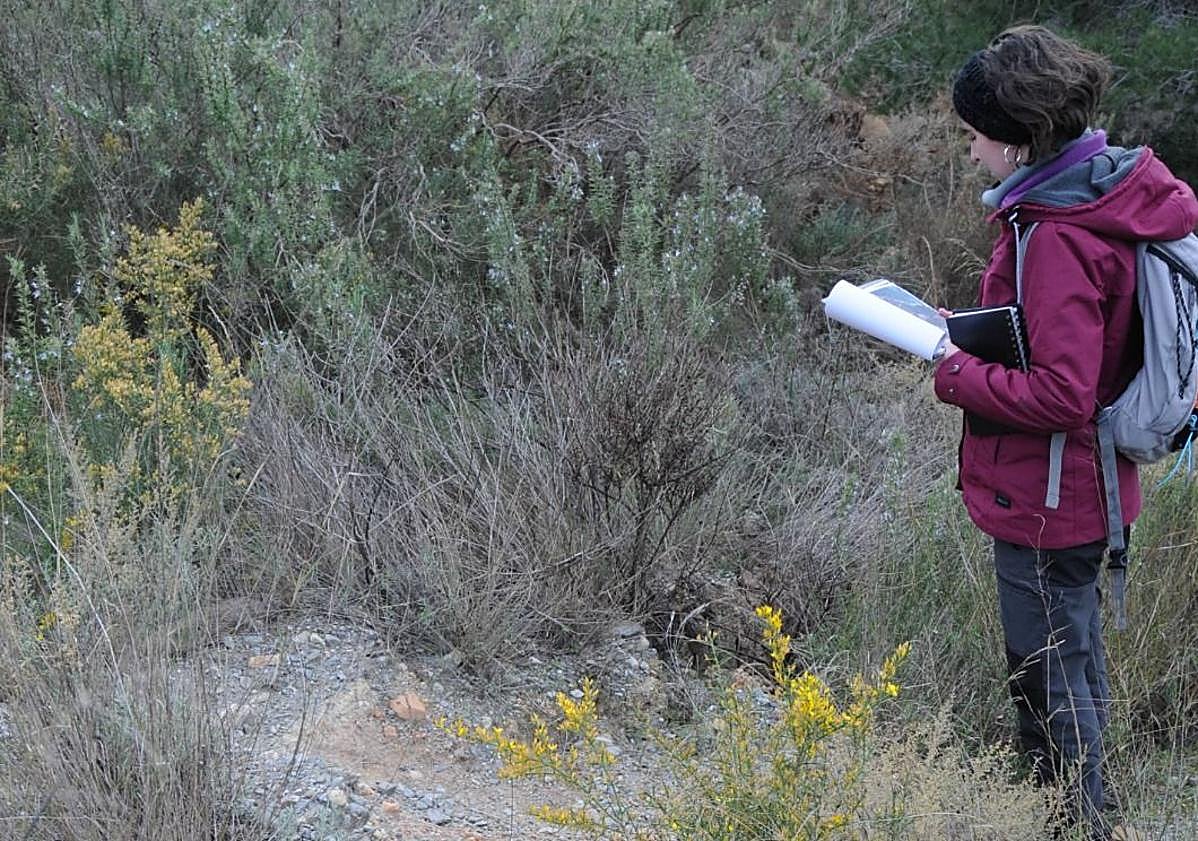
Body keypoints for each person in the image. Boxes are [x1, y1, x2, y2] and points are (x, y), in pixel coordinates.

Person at [935, 25, 1198, 840]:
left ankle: (1073, 822)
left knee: (1047, 676)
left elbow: (1062, 392)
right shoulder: (1091, 193)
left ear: (1017, 140)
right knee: (1071, 661)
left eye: (976, 134)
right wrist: (971, 334)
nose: (970, 149)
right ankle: (1089, 813)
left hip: (1051, 496)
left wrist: (952, 370)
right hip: (1086, 487)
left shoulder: (1054, 233)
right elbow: (1061, 344)